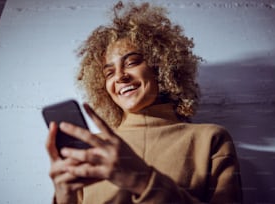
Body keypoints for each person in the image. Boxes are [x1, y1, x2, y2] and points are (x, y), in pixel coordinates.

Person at [46, 1, 242, 203]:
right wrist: (64, 196)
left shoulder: (210, 139)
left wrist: (142, 181)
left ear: (161, 67)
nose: (120, 77)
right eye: (109, 73)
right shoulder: (94, 149)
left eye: (131, 62)